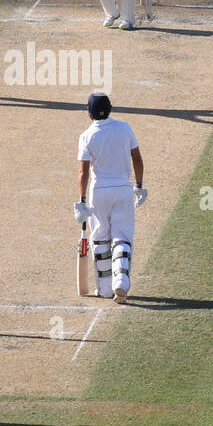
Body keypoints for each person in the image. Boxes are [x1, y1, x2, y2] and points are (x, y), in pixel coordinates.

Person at [73, 92, 146, 304]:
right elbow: (137, 160)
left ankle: (104, 289)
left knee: (101, 239)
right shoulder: (125, 129)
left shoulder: (86, 136)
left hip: (99, 193)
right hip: (123, 190)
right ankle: (121, 283)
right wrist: (139, 185)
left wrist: (82, 200)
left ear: (90, 113)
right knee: (122, 237)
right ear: (110, 108)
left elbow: (83, 173)